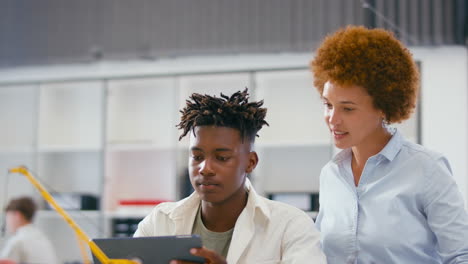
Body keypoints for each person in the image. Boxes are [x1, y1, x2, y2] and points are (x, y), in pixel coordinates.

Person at [310, 25, 468, 263]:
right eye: (328, 105)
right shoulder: (330, 175)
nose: (332, 119)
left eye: (348, 109)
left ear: (383, 107)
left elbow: (460, 255)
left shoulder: (427, 169)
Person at [134, 89, 327, 264]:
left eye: (222, 157)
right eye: (197, 157)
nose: (205, 168)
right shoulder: (159, 222)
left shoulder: (290, 226)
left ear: (250, 162)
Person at [0, 196, 59, 264]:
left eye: (7, 217)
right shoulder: (43, 239)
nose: (7, 223)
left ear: (17, 215)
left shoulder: (18, 241)